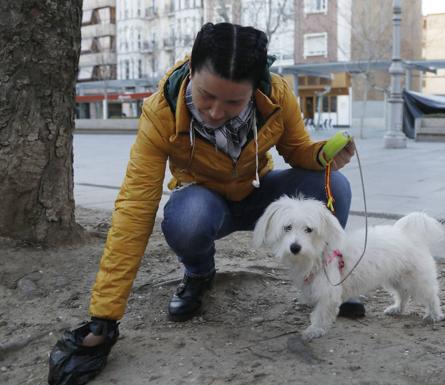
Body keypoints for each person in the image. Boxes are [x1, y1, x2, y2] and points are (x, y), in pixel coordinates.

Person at [49, 22, 363, 382]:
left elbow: (297, 152)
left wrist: (324, 155)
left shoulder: (276, 95)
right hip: (203, 201)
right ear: (191, 72)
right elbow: (134, 207)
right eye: (206, 96)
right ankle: (199, 275)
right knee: (188, 218)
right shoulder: (160, 112)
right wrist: (104, 317)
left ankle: (330, 282)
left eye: (233, 102)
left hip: (258, 192)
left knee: (335, 188)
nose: (215, 112)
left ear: (254, 88)